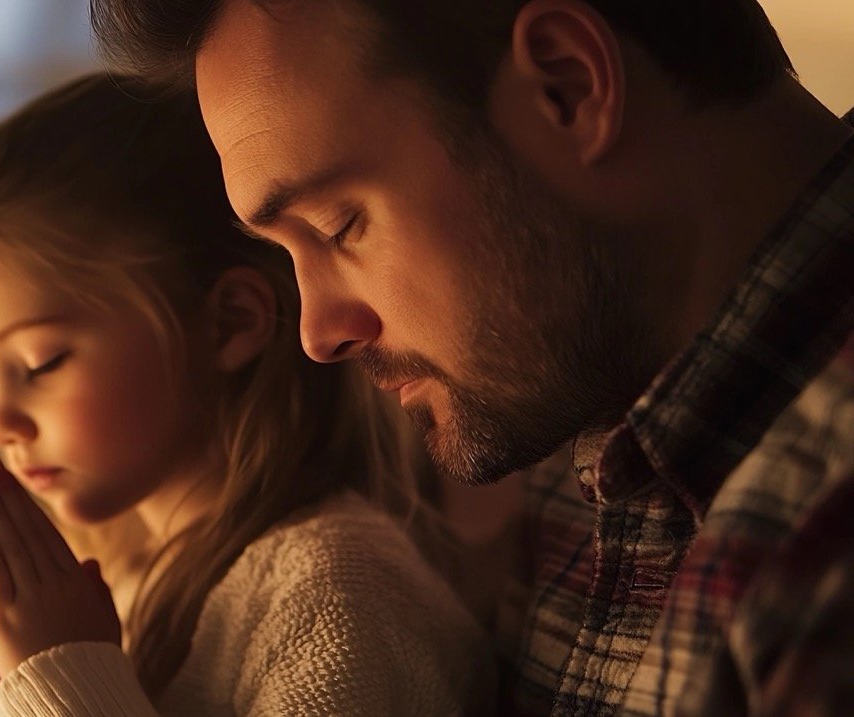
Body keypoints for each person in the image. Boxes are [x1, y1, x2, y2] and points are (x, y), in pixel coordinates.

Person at [90, 0, 854, 714]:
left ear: (569, 89)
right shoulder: (586, 408)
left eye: (337, 225)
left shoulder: (822, 546)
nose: (318, 332)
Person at [0, 73, 492, 715]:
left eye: (41, 363)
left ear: (228, 323)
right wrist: (0, 698)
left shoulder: (339, 596)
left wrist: (63, 681)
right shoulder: (117, 585)